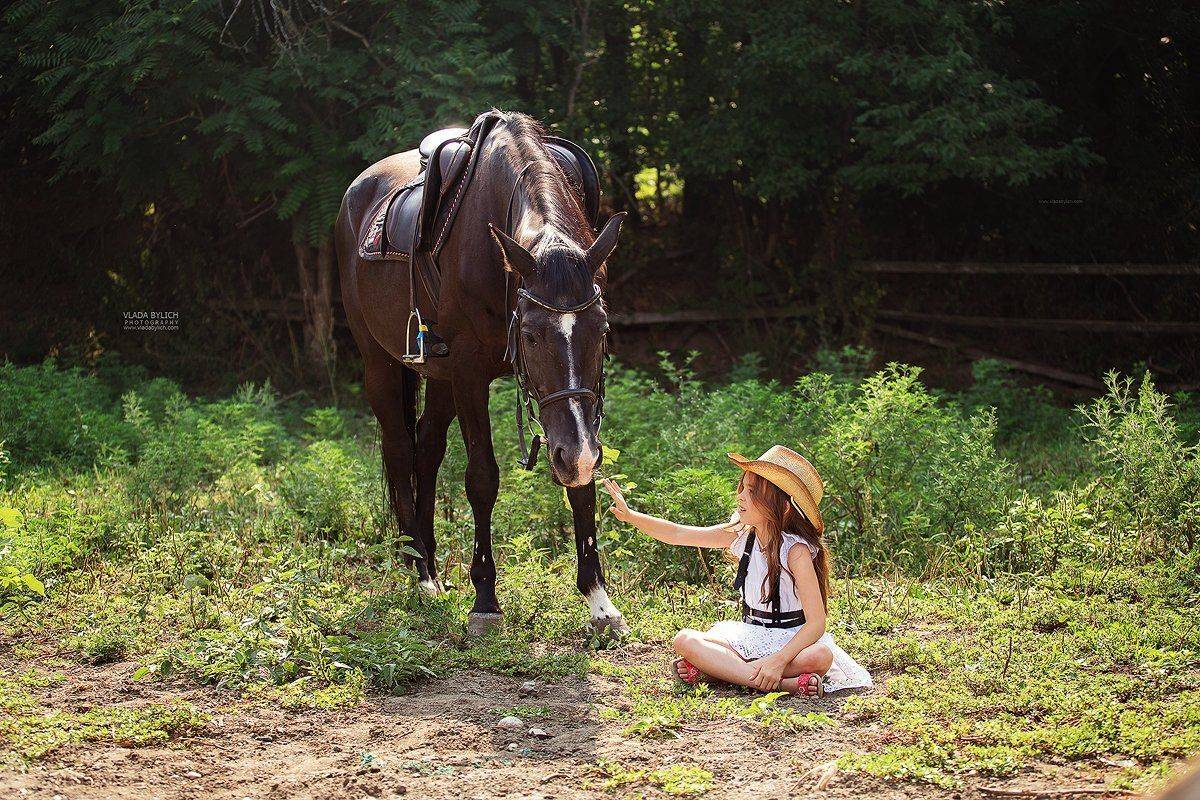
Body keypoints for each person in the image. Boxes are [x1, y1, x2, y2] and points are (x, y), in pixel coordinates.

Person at [600, 445, 872, 696]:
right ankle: (774, 683)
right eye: (742, 488)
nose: (741, 496)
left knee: (821, 657)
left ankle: (721, 672)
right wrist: (632, 515)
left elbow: (816, 624)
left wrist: (779, 660)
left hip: (792, 641)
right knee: (685, 640)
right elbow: (679, 534)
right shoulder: (742, 535)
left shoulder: (796, 552)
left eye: (752, 492)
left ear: (783, 507)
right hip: (749, 635)